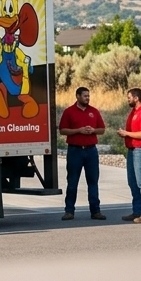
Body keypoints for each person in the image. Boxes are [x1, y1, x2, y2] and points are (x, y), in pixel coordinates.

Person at [58, 86, 105, 220]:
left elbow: (102, 129)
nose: (87, 98)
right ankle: (69, 211)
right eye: (85, 96)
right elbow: (62, 130)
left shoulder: (94, 111)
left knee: (93, 181)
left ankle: (96, 211)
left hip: (91, 151)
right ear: (77, 96)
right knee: (72, 182)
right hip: (75, 150)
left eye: (88, 96)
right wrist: (78, 130)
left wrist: (93, 131)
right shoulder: (69, 112)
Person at [117, 87, 141, 223]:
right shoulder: (133, 112)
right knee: (133, 182)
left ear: (136, 98)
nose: (128, 99)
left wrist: (126, 134)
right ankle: (137, 211)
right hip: (132, 150)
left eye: (129, 97)